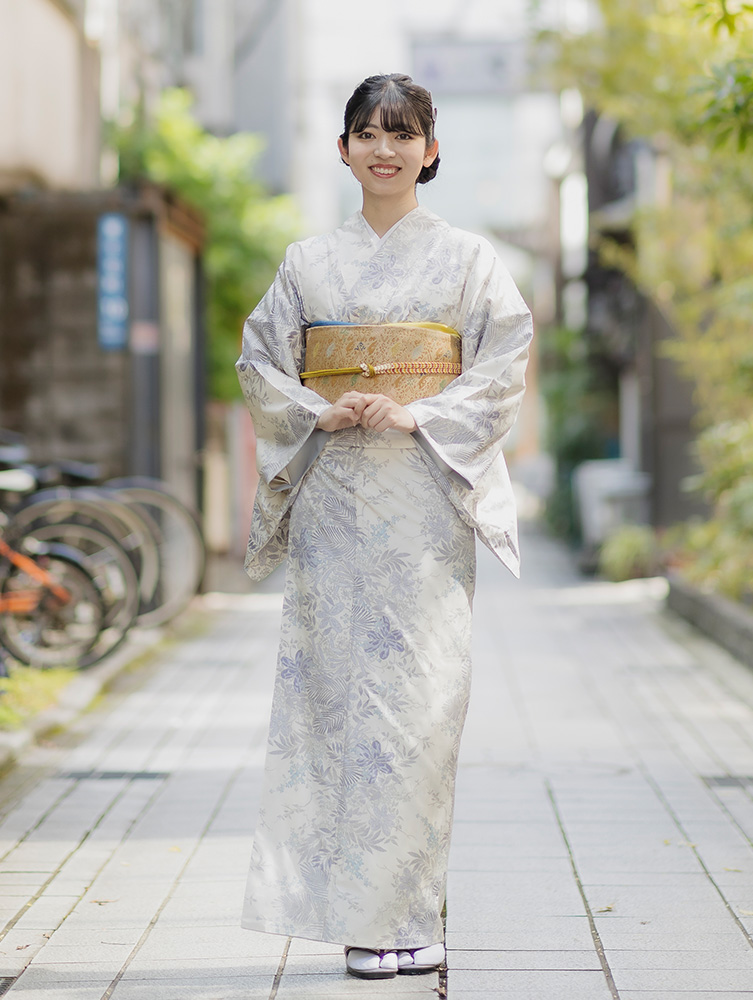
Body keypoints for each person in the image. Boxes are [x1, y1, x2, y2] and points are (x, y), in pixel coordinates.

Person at [236, 73, 533, 981]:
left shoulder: (471, 260)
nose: (384, 148)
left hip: (422, 503)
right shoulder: (305, 261)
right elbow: (261, 359)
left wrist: (421, 415)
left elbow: (503, 358)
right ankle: (358, 916)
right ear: (341, 150)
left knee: (420, 706)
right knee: (332, 705)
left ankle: (411, 912)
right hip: (334, 505)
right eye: (366, 132)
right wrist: (314, 412)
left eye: (402, 134)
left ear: (431, 150)